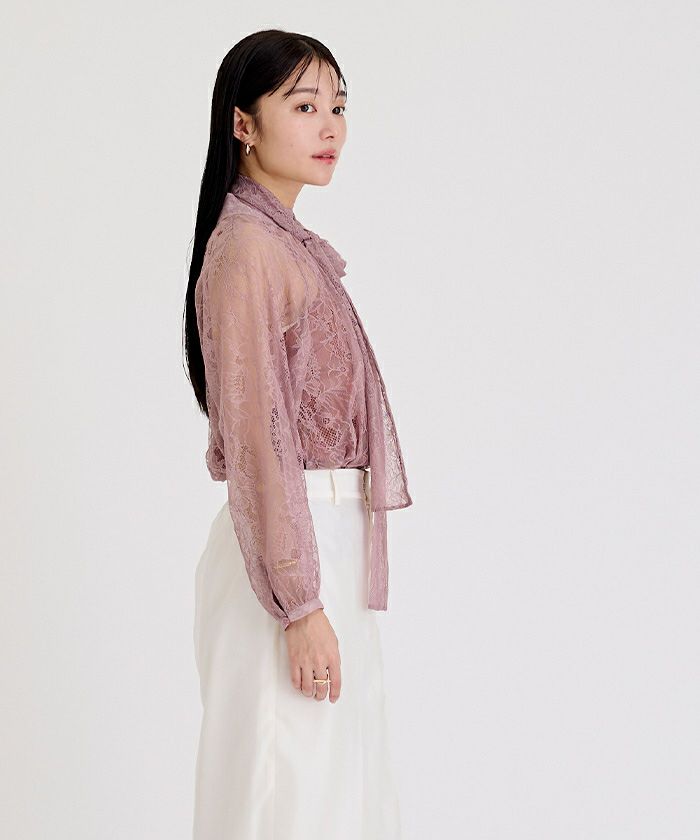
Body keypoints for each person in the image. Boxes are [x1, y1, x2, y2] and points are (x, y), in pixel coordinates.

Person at [183, 28, 412, 840]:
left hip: (322, 551)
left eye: (339, 107)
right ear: (243, 124)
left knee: (333, 795)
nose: (330, 127)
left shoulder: (285, 246)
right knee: (286, 798)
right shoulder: (248, 250)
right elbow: (257, 442)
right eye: (305, 105)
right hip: (287, 562)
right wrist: (299, 604)